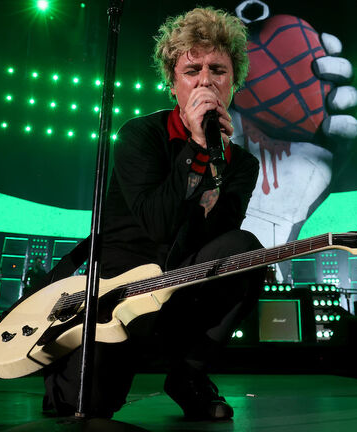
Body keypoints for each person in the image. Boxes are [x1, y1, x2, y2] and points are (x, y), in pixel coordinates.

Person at [43, 7, 264, 421]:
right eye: (192, 70)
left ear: (234, 81)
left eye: (218, 69)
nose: (205, 81)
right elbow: (158, 224)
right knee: (83, 407)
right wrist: (196, 148)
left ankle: (189, 374)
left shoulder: (242, 164)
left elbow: (217, 238)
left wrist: (214, 162)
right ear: (172, 83)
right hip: (118, 297)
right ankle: (69, 367)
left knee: (244, 249)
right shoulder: (140, 135)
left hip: (178, 290)